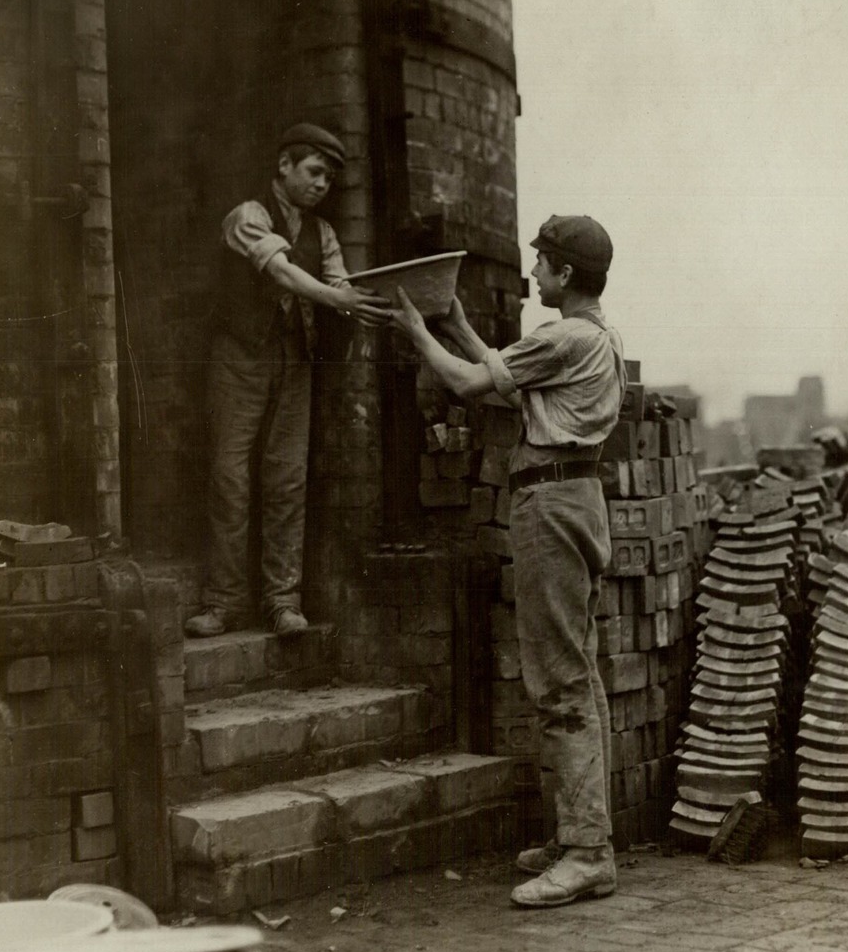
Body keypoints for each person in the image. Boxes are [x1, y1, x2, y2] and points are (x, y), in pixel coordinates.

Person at [390, 215, 627, 908]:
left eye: (543, 263)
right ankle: (578, 835)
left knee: (558, 684)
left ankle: (587, 853)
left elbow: (469, 386)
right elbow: (506, 374)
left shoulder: (564, 336)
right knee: (576, 674)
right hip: (575, 499)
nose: (535, 272)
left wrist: (414, 329)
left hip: (551, 506)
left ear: (566, 275)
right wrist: (455, 318)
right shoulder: (595, 338)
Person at [185, 124, 391, 639]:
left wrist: (378, 301)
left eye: (329, 178)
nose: (323, 185)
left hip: (294, 361)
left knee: (287, 480)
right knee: (230, 479)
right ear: (284, 166)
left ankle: (283, 603)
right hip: (239, 358)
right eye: (314, 171)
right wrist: (337, 297)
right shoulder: (248, 217)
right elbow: (280, 271)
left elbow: (340, 284)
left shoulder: (323, 234)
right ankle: (224, 603)